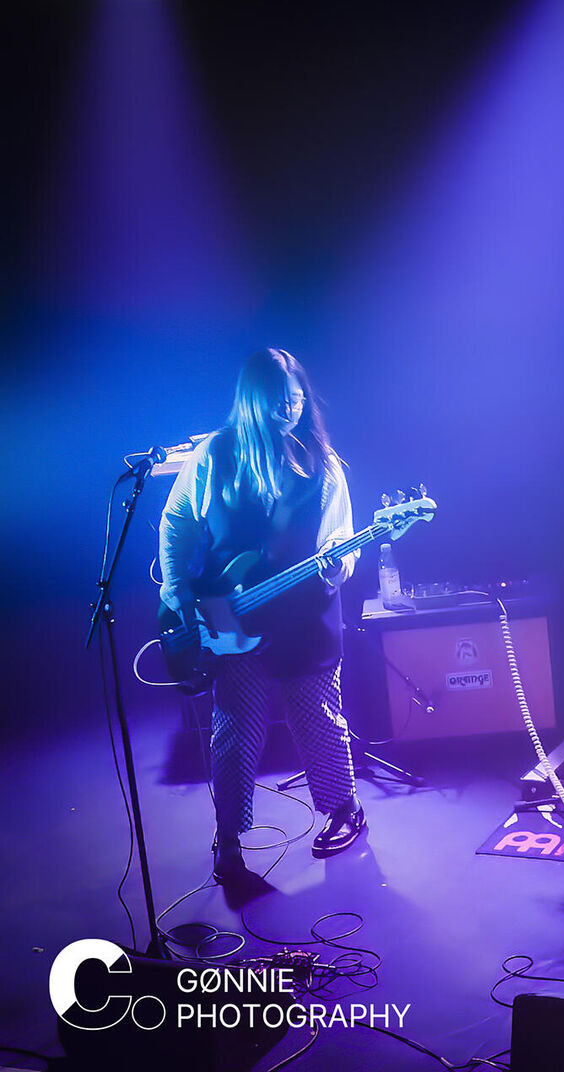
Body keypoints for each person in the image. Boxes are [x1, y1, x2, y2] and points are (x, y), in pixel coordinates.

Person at [159, 348, 366, 878]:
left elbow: (343, 538)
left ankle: (344, 809)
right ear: (252, 401)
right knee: (235, 725)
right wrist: (179, 593)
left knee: (316, 716)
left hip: (305, 615)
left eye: (296, 400)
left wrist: (336, 565)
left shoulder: (322, 463)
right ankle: (228, 835)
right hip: (229, 612)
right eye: (278, 400)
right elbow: (178, 523)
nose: (290, 410)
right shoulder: (214, 454)